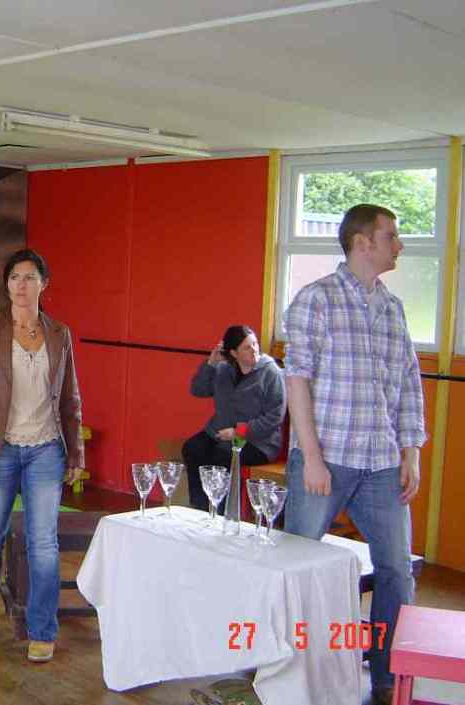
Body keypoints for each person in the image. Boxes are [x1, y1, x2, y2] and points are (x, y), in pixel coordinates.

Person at [282, 204, 425, 705]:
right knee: (297, 567)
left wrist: (411, 451)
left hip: (382, 461)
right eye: (392, 235)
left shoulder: (393, 308)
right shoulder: (315, 299)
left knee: (396, 571)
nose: (399, 245)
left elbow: (408, 383)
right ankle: (283, 669)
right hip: (327, 457)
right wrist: (311, 457)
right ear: (363, 242)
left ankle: (386, 678)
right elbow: (296, 380)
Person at [0, 248, 84, 663]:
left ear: (44, 284)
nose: (21, 285)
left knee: (43, 544)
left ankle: (42, 630)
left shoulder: (60, 334)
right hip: (0, 451)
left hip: (46, 450)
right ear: (7, 284)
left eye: (30, 277)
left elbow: (71, 398)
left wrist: (76, 454)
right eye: (15, 277)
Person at [182, 325, 286, 511]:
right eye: (247, 347)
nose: (254, 350)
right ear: (234, 353)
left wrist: (239, 431)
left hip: (258, 441)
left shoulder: (271, 373)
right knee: (192, 448)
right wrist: (210, 364)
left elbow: (274, 417)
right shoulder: (223, 369)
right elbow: (198, 390)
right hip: (219, 432)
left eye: (255, 344)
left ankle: (222, 512)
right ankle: (199, 507)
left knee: (222, 456)